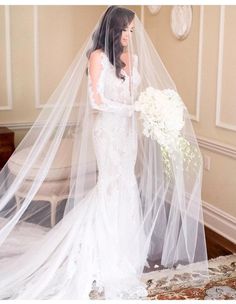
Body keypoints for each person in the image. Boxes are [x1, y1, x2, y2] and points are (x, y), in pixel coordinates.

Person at [0, 5, 209, 299]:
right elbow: (96, 102)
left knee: (127, 182)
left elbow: (135, 95)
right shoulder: (97, 57)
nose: (128, 36)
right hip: (107, 131)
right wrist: (132, 108)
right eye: (124, 30)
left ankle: (126, 247)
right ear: (113, 29)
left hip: (128, 132)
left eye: (132, 31)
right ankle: (103, 248)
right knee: (111, 183)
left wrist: (148, 107)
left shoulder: (132, 58)